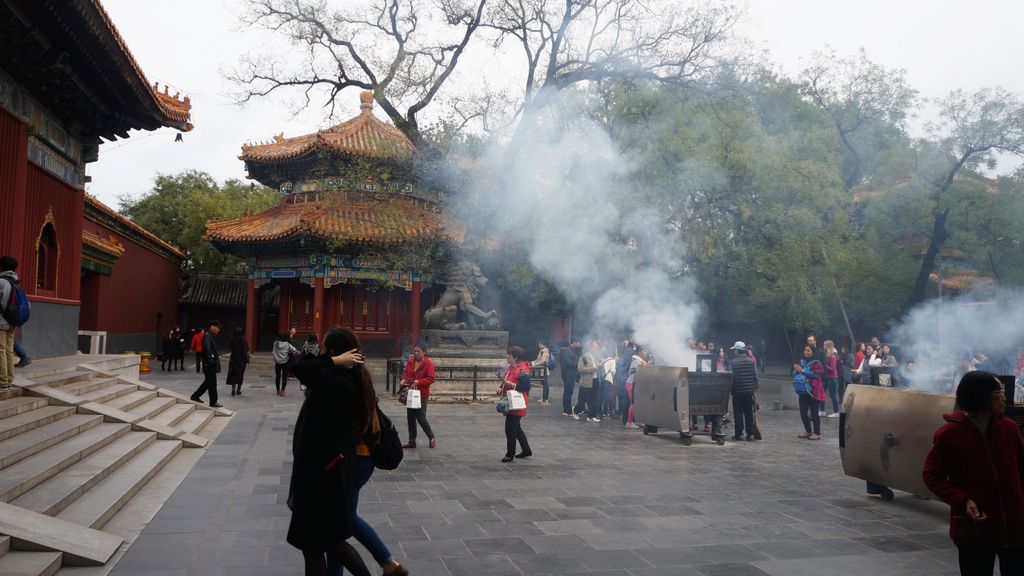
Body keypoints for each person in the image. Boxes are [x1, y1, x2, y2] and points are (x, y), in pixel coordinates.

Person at [287, 328, 371, 576]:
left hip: (322, 472)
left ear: (333, 352)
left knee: (314, 545)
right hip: (328, 467)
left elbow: (300, 368)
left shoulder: (337, 382)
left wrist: (334, 361)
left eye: (325, 350)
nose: (321, 354)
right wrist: (335, 361)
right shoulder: (345, 378)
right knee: (328, 541)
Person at [923, 371, 1024, 576]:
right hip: (976, 529)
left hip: (1015, 528)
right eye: (998, 392)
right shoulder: (949, 434)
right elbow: (932, 475)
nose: (1004, 397)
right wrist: (962, 499)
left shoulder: (1009, 428)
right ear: (980, 395)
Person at [499, 345, 532, 462]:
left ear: (516, 357)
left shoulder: (522, 370)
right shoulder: (510, 368)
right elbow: (505, 382)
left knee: (510, 429)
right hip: (510, 402)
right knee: (516, 429)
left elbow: (526, 387)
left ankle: (510, 454)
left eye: (509, 355)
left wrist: (512, 385)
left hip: (518, 403)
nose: (507, 357)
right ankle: (526, 450)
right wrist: (501, 388)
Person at [401, 343, 437, 449]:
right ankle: (412, 441)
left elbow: (431, 378)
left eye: (418, 351)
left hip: (422, 394)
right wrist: (403, 379)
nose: (415, 353)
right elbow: (405, 372)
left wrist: (419, 382)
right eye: (414, 350)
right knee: (410, 418)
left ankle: (431, 437)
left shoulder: (428, 363)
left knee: (420, 417)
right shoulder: (411, 361)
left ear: (424, 352)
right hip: (411, 392)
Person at [729, 341, 759, 441]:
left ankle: (739, 434)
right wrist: (755, 389)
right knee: (749, 413)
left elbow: (731, 378)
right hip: (749, 392)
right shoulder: (751, 361)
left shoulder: (733, 362)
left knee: (738, 413)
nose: (734, 352)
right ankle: (750, 434)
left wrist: (731, 389)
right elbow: (755, 377)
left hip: (737, 392)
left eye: (734, 350)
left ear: (737, 351)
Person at [189, 320, 223, 407]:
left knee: (209, 382)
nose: (218, 329)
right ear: (212, 326)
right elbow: (207, 351)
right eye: (217, 327)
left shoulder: (210, 336)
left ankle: (195, 396)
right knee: (211, 383)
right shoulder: (207, 336)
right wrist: (212, 361)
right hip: (209, 364)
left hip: (209, 363)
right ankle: (213, 401)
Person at [793, 345, 824, 440]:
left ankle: (817, 432)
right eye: (805, 350)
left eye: (808, 350)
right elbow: (794, 374)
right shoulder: (801, 361)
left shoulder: (816, 363)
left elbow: (815, 375)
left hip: (813, 391)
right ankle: (808, 431)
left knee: (814, 413)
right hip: (802, 391)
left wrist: (802, 371)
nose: (805, 352)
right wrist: (796, 370)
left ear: (813, 352)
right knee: (803, 413)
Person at [0, 256, 21, 391]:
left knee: (0, 351)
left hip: (1, 321)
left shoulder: (1, 282)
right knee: (8, 351)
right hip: (12, 322)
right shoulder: (16, 282)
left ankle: (2, 381)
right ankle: (8, 379)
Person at [624, 346, 649, 429]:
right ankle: (629, 423)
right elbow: (638, 371)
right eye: (645, 351)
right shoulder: (637, 361)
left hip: (635, 384)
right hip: (631, 384)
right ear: (640, 352)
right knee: (633, 403)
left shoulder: (640, 361)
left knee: (637, 403)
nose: (646, 353)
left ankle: (638, 421)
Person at [573, 341, 599, 422]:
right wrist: (592, 369)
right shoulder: (584, 357)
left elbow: (597, 365)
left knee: (594, 399)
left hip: (595, 379)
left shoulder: (596, 356)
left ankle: (591, 416)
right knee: (583, 399)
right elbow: (580, 369)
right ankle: (576, 411)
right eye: (595, 347)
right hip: (587, 381)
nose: (596, 349)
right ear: (591, 348)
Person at [274, 331, 300, 396]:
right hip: (285, 362)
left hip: (277, 362)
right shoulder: (287, 344)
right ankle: (282, 391)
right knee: (284, 377)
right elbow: (294, 350)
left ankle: (277, 390)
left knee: (278, 376)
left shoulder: (275, 343)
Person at [226, 326, 250, 396]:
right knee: (240, 374)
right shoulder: (243, 338)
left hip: (233, 358)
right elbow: (246, 349)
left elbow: (230, 346)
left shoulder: (233, 339)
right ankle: (238, 389)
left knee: (233, 373)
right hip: (241, 359)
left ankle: (233, 389)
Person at [559, 339, 580, 417]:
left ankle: (567, 409)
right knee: (568, 392)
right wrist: (577, 364)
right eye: (578, 343)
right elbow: (568, 363)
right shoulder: (568, 351)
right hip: (568, 374)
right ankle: (567, 410)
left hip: (569, 374)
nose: (579, 345)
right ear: (574, 342)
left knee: (568, 392)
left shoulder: (570, 351)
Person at [823, 340, 841, 417]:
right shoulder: (826, 355)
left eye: (825, 345)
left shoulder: (833, 356)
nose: (823, 346)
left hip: (832, 377)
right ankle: (822, 410)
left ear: (828, 346)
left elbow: (832, 368)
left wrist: (824, 365)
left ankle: (836, 412)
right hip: (827, 377)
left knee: (832, 395)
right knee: (822, 393)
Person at [531, 340, 552, 405]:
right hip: (542, 370)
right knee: (544, 384)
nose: (539, 345)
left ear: (543, 345)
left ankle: (545, 399)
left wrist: (534, 364)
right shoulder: (543, 351)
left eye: (540, 344)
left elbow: (543, 361)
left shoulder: (544, 351)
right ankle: (544, 399)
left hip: (543, 370)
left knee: (545, 384)